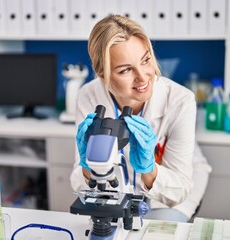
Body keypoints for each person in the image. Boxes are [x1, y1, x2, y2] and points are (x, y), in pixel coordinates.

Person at [70, 14, 211, 222]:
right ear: (102, 74)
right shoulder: (89, 96)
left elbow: (179, 189)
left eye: (146, 60)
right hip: (117, 191)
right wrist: (87, 166)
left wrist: (149, 168)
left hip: (171, 190)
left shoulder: (180, 101)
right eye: (126, 70)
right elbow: (80, 184)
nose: (144, 77)